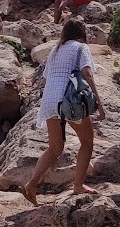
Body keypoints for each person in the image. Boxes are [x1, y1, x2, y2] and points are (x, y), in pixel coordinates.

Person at [20, 19, 106, 203]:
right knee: (87, 142)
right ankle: (78, 185)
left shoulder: (55, 50)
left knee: (55, 148)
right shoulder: (81, 48)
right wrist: (98, 101)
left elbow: (45, 78)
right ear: (82, 33)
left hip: (50, 99)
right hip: (70, 100)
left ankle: (32, 185)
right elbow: (87, 73)